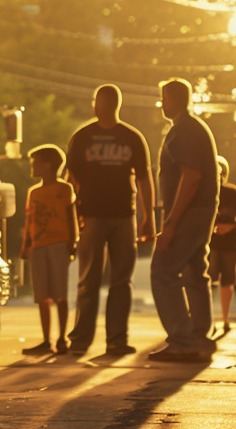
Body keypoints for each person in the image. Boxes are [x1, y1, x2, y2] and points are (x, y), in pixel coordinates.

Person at [64, 84, 155, 356]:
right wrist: (74, 215)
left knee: (120, 280)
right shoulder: (82, 137)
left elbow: (144, 179)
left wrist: (149, 216)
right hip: (91, 215)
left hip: (123, 217)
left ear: (103, 105)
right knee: (89, 279)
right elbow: (72, 181)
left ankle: (116, 339)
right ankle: (82, 339)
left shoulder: (132, 137)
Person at [149, 78, 220, 363]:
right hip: (201, 209)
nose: (161, 103)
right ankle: (200, 334)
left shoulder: (184, 131)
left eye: (163, 97)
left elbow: (191, 179)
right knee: (193, 269)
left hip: (190, 211)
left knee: (162, 271)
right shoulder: (192, 128)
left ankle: (182, 340)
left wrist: (171, 223)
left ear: (174, 99)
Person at [20, 145, 77, 355]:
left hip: (59, 243)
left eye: (36, 162)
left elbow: (71, 216)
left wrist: (73, 241)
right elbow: (29, 220)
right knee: (42, 295)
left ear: (48, 165)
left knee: (60, 294)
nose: (33, 166)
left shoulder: (64, 189)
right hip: (38, 246)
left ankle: (62, 337)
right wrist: (26, 245)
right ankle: (47, 340)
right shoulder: (33, 192)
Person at [207, 155, 236, 339]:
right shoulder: (206, 192)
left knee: (227, 283)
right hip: (211, 244)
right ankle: (207, 320)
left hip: (230, 244)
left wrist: (229, 226)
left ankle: (225, 320)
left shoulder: (233, 192)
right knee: (207, 282)